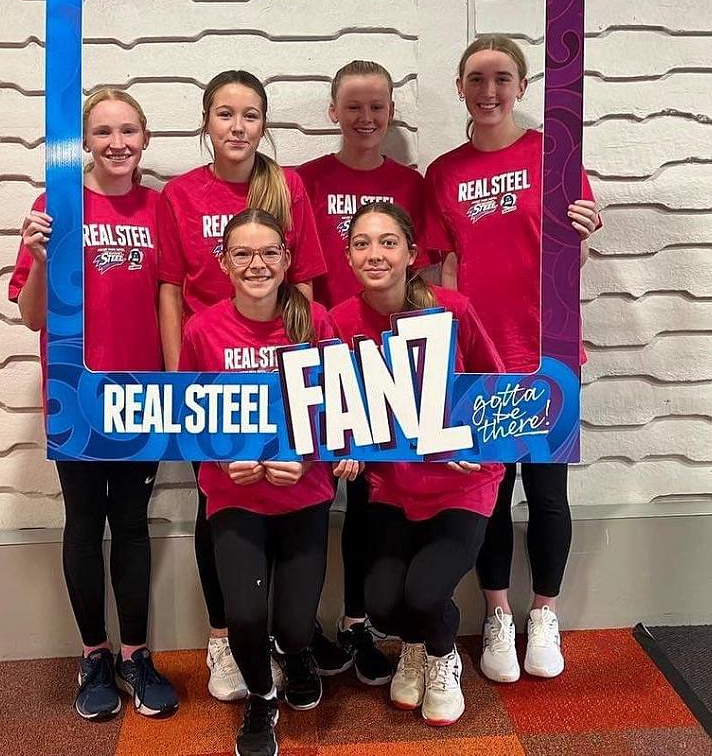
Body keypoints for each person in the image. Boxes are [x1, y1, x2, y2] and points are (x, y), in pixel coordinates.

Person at [422, 34, 601, 683]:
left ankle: (544, 613)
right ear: (460, 88)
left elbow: (574, 253)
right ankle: (498, 613)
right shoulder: (443, 173)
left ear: (522, 87)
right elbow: (444, 268)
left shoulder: (554, 156)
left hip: (548, 352)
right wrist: (448, 357)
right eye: (476, 78)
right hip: (482, 357)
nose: (489, 90)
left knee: (548, 491)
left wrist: (583, 235)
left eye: (502, 78)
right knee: (491, 492)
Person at [157, 70, 327, 701]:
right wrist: (180, 387)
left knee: (290, 490)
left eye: (250, 115)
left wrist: (301, 363)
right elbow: (169, 289)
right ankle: (225, 639)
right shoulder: (180, 194)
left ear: (264, 123)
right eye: (224, 114)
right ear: (206, 122)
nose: (237, 126)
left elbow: (302, 281)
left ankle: (292, 636)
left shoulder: (287, 185)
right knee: (220, 503)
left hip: (279, 366)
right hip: (213, 368)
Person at [9, 88, 178, 720]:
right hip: (73, 393)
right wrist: (38, 260)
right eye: (103, 131)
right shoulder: (54, 204)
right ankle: (94, 656)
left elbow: (169, 299)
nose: (117, 143)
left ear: (145, 138)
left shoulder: (159, 208)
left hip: (140, 394)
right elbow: (32, 317)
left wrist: (173, 386)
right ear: (84, 141)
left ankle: (135, 654)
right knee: (83, 523)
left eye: (128, 130)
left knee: (131, 523)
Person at [178, 209, 352, 756]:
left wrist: (307, 459)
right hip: (236, 498)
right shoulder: (201, 329)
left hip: (304, 495)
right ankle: (261, 696)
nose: (257, 264)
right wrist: (223, 461)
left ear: (286, 259)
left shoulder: (315, 321)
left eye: (269, 252)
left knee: (296, 626)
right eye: (243, 254)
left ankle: (297, 654)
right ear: (224, 262)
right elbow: (187, 418)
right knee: (245, 617)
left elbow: (342, 412)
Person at [330, 201, 505, 726]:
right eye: (362, 243)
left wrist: (472, 444)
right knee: (381, 605)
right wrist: (346, 445)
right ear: (348, 256)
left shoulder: (453, 309)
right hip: (393, 487)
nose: (375, 254)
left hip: (462, 487)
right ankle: (412, 644)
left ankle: (441, 655)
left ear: (411, 253)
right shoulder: (339, 321)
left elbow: (498, 395)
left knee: (425, 593)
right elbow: (338, 409)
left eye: (388, 242)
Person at [297, 59, 434, 685]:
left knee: (370, 497)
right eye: (353, 106)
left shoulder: (411, 183)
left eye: (377, 106)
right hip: (322, 353)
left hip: (389, 360)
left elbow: (423, 275)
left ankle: (359, 621)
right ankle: (297, 629)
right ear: (333, 112)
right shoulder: (305, 180)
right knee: (310, 496)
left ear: (391, 112)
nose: (365, 117)